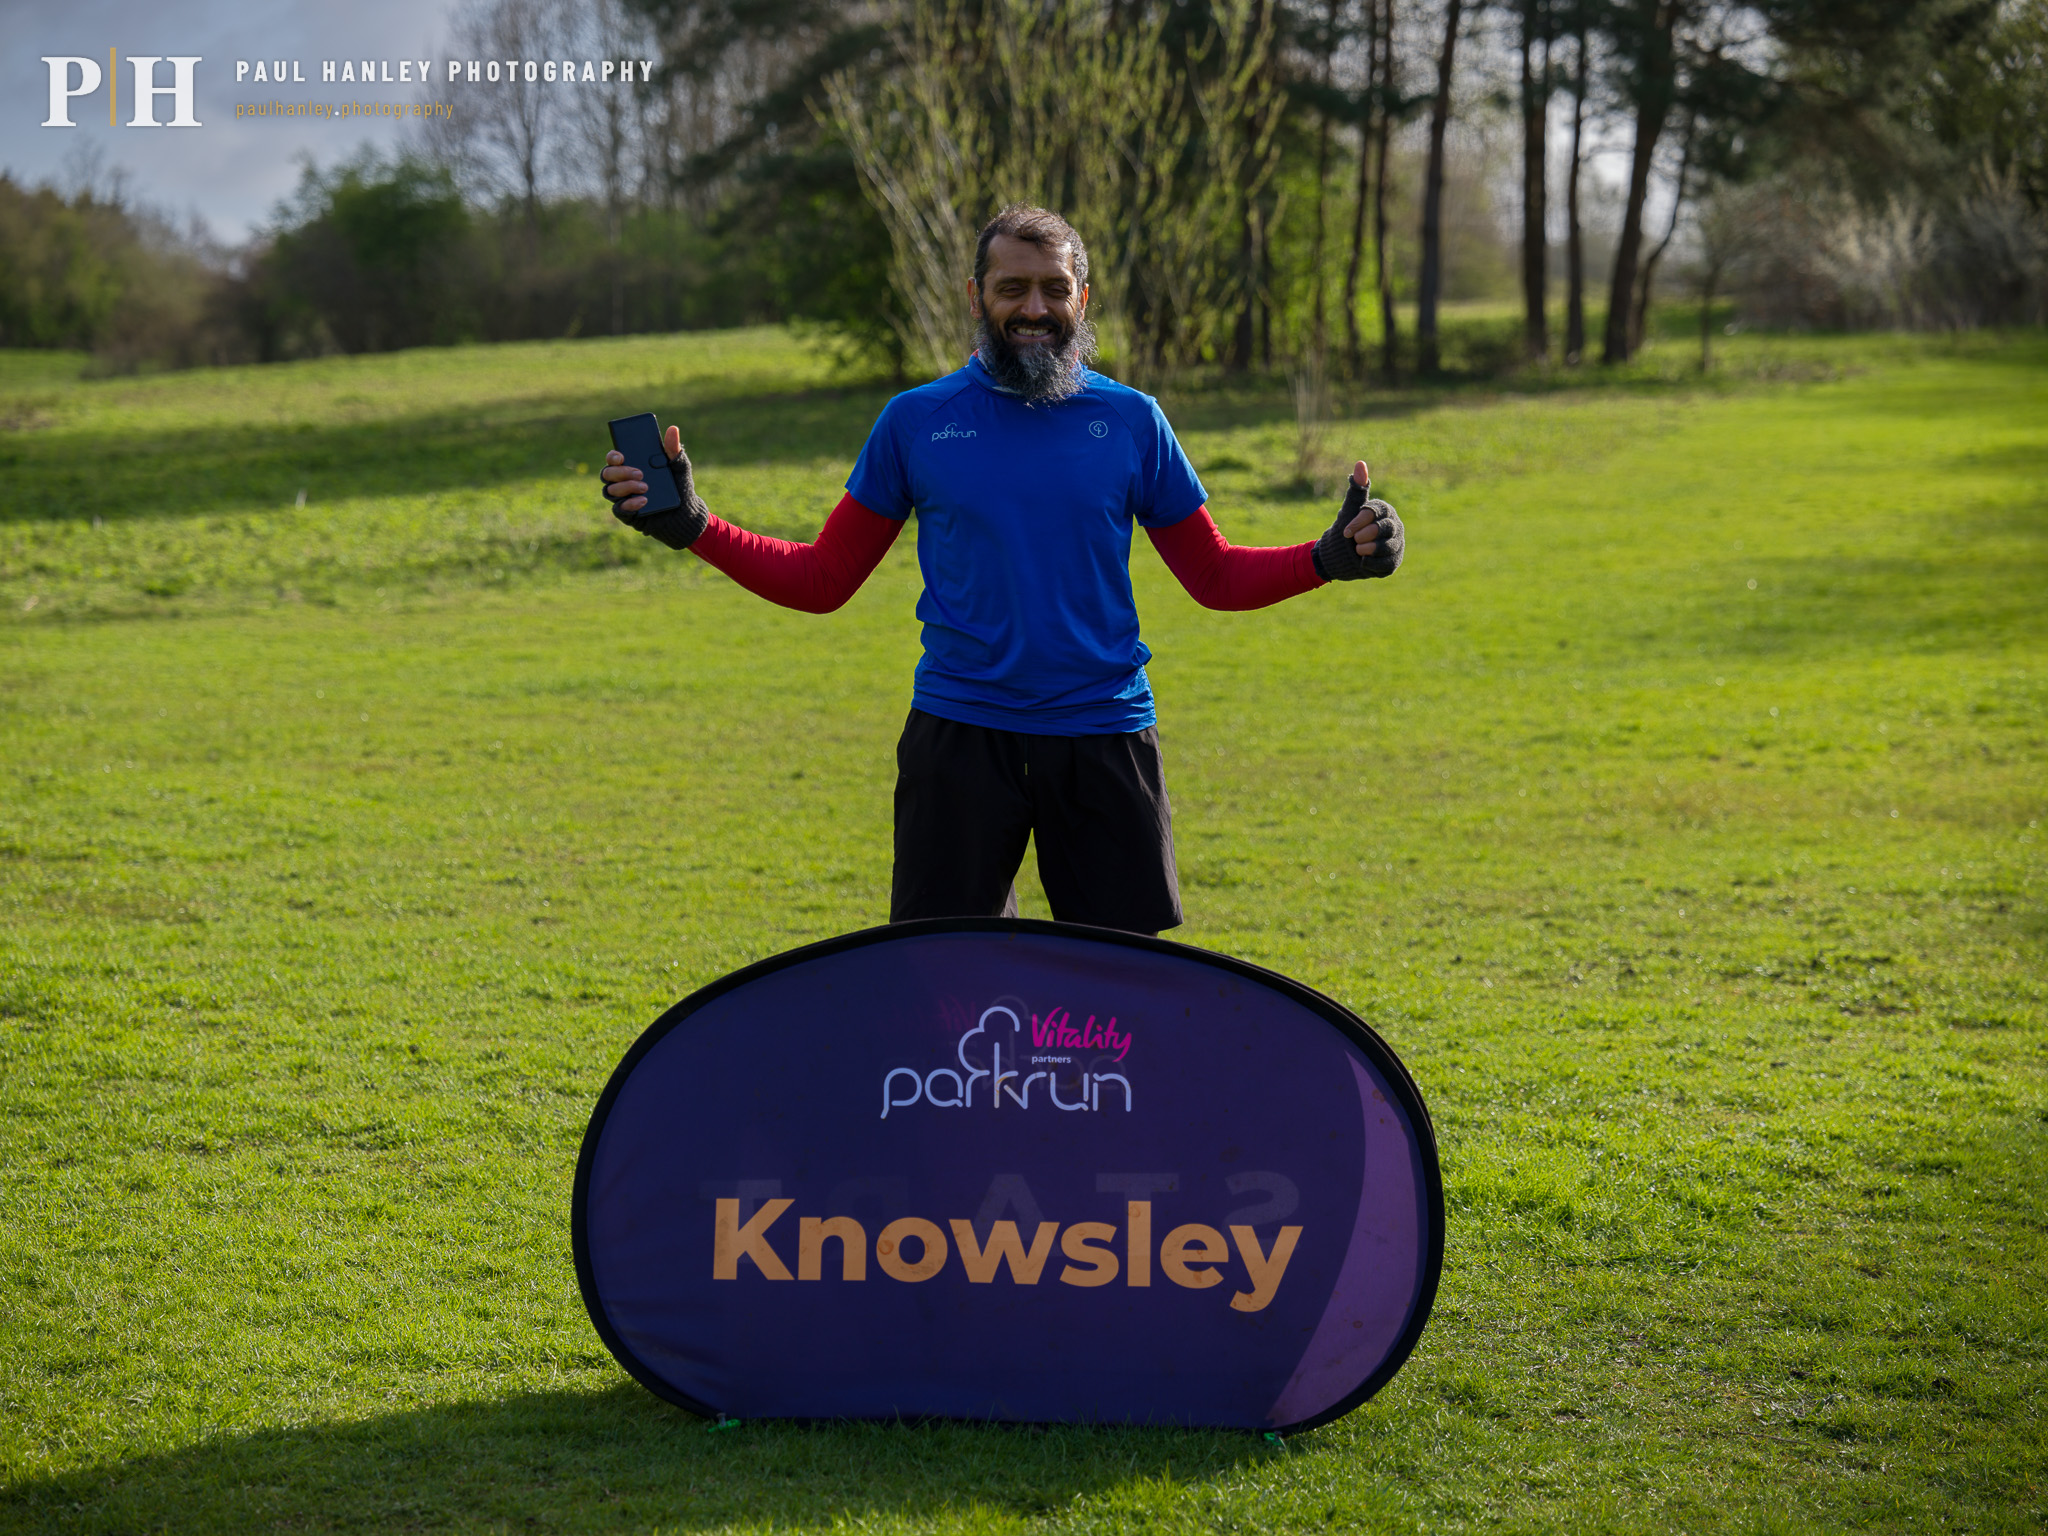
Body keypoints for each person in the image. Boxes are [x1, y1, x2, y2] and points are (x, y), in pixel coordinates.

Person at [601, 204, 1402, 937]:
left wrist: (1328, 559)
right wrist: (695, 528)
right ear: (977, 295)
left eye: (1054, 288)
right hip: (959, 738)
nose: (1033, 308)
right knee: (945, 983)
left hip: (1103, 735)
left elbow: (1215, 576)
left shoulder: (1130, 421)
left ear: (1082, 300)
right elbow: (822, 579)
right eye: (1011, 287)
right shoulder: (917, 421)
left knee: (1123, 989)